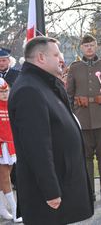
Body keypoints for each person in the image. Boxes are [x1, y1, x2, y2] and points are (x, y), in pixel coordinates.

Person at [8, 37, 93, 224]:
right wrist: (51, 191)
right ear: (41, 57)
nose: (61, 59)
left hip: (64, 183)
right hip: (48, 194)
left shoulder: (46, 84)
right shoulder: (28, 90)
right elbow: (36, 147)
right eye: (56, 54)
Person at [66, 34, 101, 205]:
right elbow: (69, 96)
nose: (89, 48)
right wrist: (70, 120)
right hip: (82, 120)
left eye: (91, 45)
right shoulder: (74, 68)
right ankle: (90, 193)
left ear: (96, 46)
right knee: (87, 157)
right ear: (81, 48)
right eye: (86, 45)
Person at [0, 78, 22, 223]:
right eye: (1, 92)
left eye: (6, 91)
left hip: (11, 145)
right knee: (4, 178)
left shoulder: (11, 105)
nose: (4, 94)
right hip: (1, 146)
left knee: (3, 178)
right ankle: (15, 211)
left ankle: (2, 209)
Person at [0, 48, 20, 191]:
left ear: (9, 61)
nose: (1, 63)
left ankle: (16, 182)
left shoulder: (17, 75)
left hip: (13, 117)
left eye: (4, 60)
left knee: (14, 153)